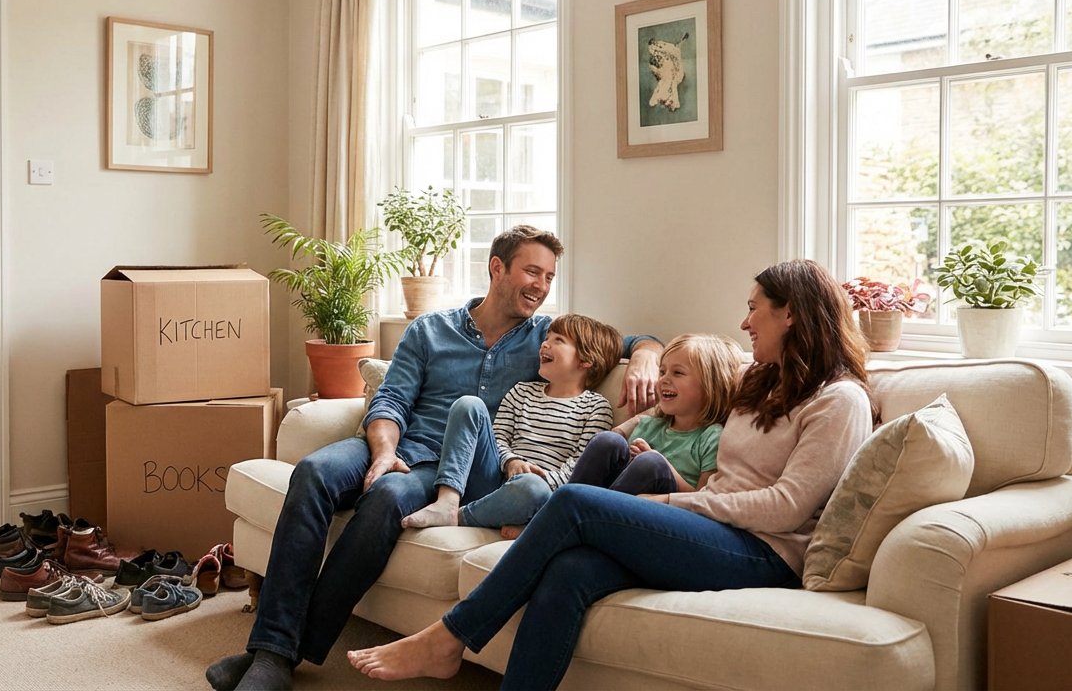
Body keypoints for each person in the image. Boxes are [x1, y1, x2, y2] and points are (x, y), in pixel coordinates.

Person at [347, 259, 877, 690]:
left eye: (754, 309)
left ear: (791, 315)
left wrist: (670, 504)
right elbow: (690, 381)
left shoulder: (839, 399)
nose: (743, 323)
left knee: (577, 503)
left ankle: (449, 637)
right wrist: (649, 359)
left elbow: (787, 507)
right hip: (713, 528)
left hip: (764, 550)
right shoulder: (763, 380)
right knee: (571, 570)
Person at [205, 226, 664, 691]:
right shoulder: (429, 329)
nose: (541, 286)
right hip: (398, 443)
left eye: (548, 277)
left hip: (450, 469)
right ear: (497, 268)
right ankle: (272, 651)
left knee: (387, 497)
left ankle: (276, 657)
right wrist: (383, 452)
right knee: (312, 472)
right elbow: (390, 402)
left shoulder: (547, 338)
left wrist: (648, 353)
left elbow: (622, 342)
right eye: (531, 271)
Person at [399, 314, 624, 532]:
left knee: (532, 488)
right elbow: (499, 437)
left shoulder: (596, 408)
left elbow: (578, 469)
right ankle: (447, 501)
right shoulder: (521, 391)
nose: (545, 345)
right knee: (468, 404)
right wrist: (511, 461)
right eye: (547, 338)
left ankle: (460, 517)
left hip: (535, 494)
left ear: (586, 360)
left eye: (558, 340)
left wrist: (537, 478)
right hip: (492, 480)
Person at [568, 332, 744, 497]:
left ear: (710, 386)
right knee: (607, 440)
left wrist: (661, 463)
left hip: (663, 510)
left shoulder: (711, 437)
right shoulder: (650, 425)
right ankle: (567, 506)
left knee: (650, 463)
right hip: (617, 497)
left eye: (678, 373)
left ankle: (593, 515)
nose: (664, 379)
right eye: (662, 371)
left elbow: (701, 497)